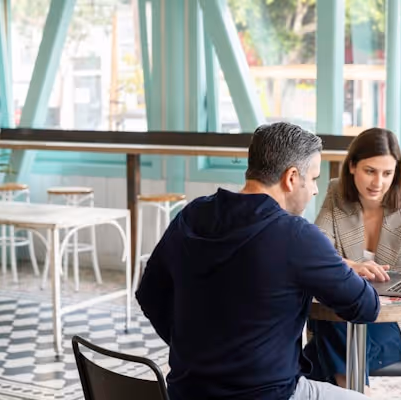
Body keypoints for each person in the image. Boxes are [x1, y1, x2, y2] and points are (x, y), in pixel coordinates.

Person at [135, 122, 379, 400]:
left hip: (187, 392)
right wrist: (338, 265)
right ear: (291, 178)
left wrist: (197, 355)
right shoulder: (297, 236)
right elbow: (366, 307)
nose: (314, 190)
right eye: (313, 179)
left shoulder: (191, 215)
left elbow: (149, 294)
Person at [303, 127, 401, 399]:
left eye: (388, 173)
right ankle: (361, 394)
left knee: (310, 357)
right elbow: (318, 249)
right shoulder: (336, 193)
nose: (378, 182)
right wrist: (349, 265)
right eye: (370, 171)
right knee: (336, 324)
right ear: (352, 166)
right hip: (349, 315)